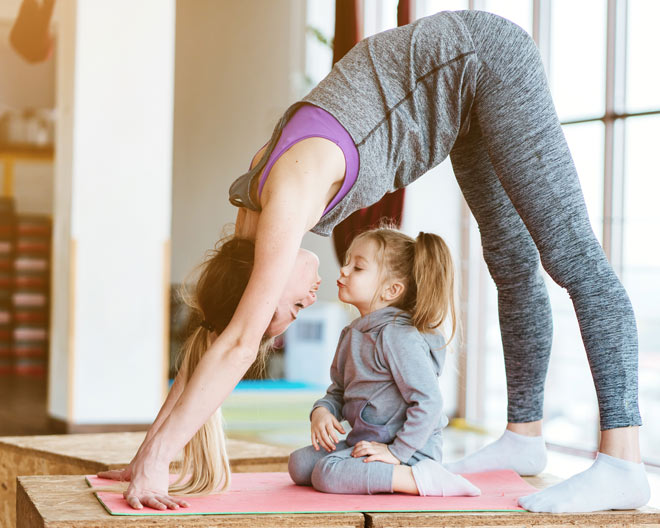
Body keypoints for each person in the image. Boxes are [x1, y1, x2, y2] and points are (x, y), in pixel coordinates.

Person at [100, 10, 650, 513]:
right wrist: (149, 450)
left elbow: (241, 342)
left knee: (572, 258)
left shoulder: (288, 199)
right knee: (510, 262)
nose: (303, 302)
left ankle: (623, 460)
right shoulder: (254, 206)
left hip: (484, 60)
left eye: (285, 306)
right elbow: (215, 336)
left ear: (259, 277)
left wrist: (158, 461)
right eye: (292, 312)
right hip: (459, 98)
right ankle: (524, 438)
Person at [287, 227, 480, 497]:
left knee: (326, 474)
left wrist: (396, 451)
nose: (343, 271)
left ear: (391, 290)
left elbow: (430, 403)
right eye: (346, 262)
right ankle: (385, 471)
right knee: (299, 465)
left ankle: (421, 478)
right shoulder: (352, 333)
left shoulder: (398, 336)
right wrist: (322, 411)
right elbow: (339, 392)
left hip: (411, 451)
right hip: (369, 442)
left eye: (358, 267)